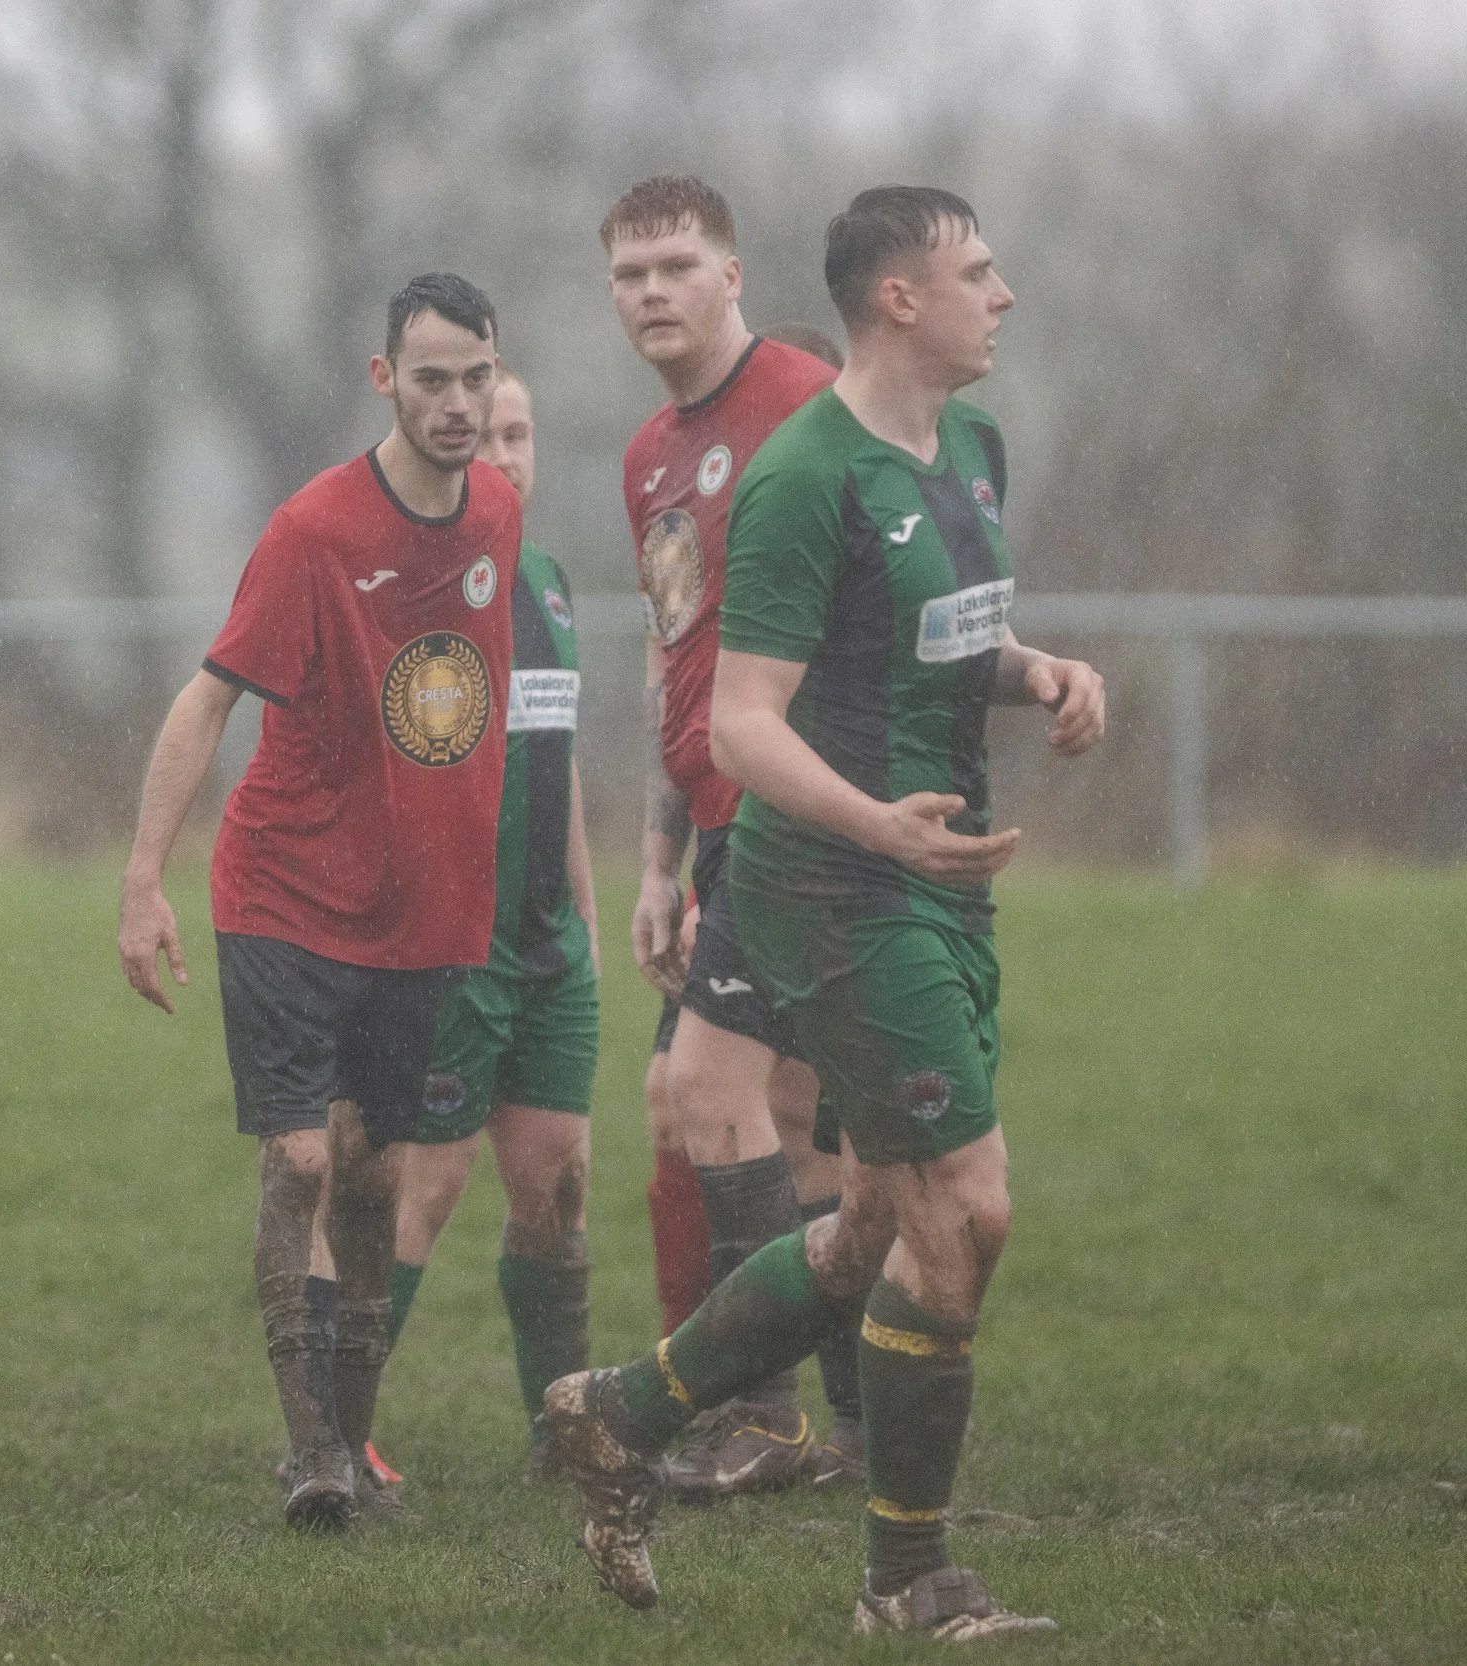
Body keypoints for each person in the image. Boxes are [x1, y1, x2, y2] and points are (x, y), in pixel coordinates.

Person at [544, 186, 1104, 1640]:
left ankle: (615, 1412)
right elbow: (739, 724)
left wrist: (1033, 668)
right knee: (965, 1210)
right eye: (981, 270)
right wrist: (877, 827)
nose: (1008, 293)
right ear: (901, 299)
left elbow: (923, 639)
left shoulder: (971, 444)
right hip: (839, 888)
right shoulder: (801, 474)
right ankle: (907, 1579)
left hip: (937, 879)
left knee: (868, 1227)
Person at [117, 273, 521, 1532]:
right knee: (299, 1154)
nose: (456, 404)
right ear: (382, 379)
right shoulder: (314, 531)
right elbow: (206, 700)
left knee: (374, 1170)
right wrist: (143, 883)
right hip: (285, 889)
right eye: (432, 377)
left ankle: (353, 1442)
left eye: (475, 378)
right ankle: (311, 1459)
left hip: (422, 917)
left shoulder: (499, 514)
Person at [605, 176, 860, 1493]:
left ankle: (761, 1410)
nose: (652, 291)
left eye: (675, 265)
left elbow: (868, 603)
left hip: (807, 816)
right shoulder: (650, 454)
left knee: (725, 1099)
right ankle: (814, 1416)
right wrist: (659, 860)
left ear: (732, 273)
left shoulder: (810, 403)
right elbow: (672, 662)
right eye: (629, 273)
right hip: (718, 828)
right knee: (785, 1119)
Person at [383, 370, 599, 1478]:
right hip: (445, 954)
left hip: (550, 955)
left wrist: (591, 928)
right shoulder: (409, 588)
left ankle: (561, 1430)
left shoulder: (552, 585)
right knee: (422, 1187)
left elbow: (554, 778)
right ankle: (334, 1437)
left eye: (523, 432)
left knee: (556, 1184)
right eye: (489, 435)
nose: (507, 454)